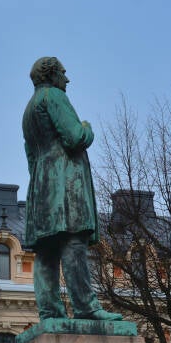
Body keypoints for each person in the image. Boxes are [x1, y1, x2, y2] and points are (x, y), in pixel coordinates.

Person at [22, 56, 122, 322]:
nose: (67, 79)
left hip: (41, 185)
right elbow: (75, 137)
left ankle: (50, 312)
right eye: (63, 73)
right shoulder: (54, 96)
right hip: (65, 182)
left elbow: (30, 156)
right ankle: (86, 307)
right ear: (52, 75)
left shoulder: (29, 110)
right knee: (73, 243)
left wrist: (42, 181)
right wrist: (87, 128)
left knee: (46, 252)